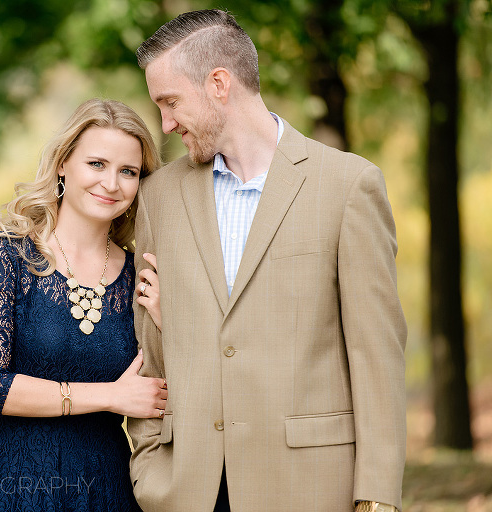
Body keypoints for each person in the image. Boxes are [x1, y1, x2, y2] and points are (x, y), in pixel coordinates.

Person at [128, 9, 407, 512]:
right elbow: (151, 353)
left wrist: (377, 495)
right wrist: (150, 465)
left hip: (311, 488)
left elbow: (376, 355)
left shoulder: (347, 185)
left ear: (219, 83)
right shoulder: (158, 197)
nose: (165, 124)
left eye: (170, 102)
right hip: (188, 489)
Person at [0, 98, 166, 512]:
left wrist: (164, 322)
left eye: (129, 172)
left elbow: (165, 390)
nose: (111, 184)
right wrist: (109, 396)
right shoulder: (6, 254)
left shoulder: (141, 275)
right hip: (11, 483)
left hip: (106, 487)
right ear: (64, 164)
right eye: (97, 164)